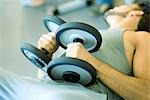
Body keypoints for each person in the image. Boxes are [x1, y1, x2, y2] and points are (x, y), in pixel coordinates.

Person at [0, 1, 149, 100]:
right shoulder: (91, 37)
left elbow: (145, 94)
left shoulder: (142, 37)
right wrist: (47, 56)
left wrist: (92, 63)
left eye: (126, 4)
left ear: (137, 12)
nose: (118, 5)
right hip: (40, 87)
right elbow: (52, 77)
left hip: (75, 94)